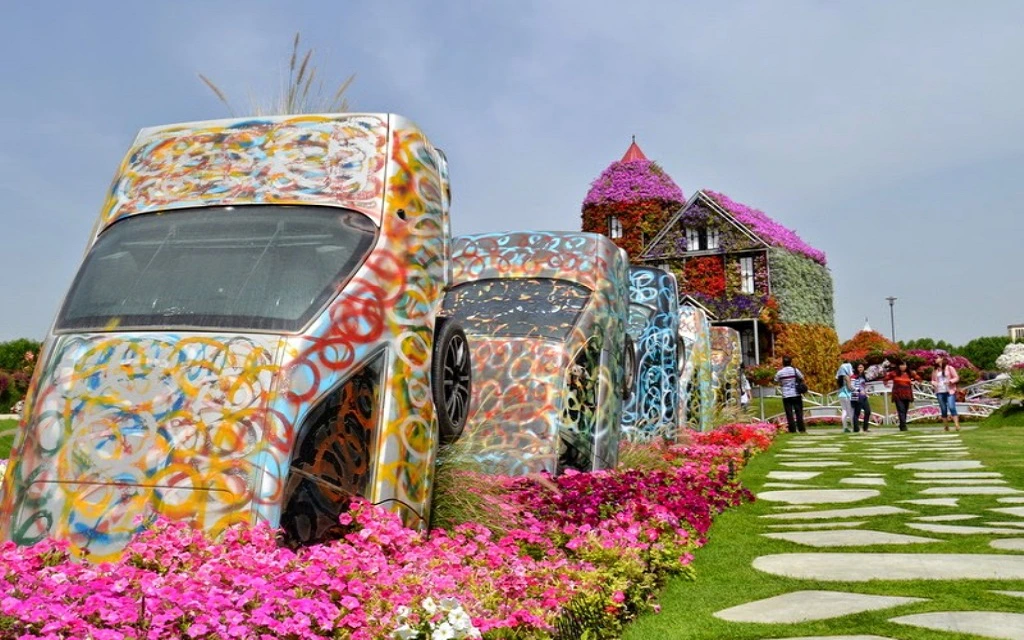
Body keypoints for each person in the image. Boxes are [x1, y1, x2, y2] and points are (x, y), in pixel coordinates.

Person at [774, 356, 806, 434]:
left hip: (786, 394)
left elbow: (775, 380)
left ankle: (792, 429)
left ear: (783, 363)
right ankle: (801, 429)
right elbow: (802, 377)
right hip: (796, 393)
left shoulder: (780, 372)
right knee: (799, 412)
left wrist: (782, 383)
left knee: (789, 413)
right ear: (791, 362)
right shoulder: (795, 370)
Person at [885, 360, 918, 431]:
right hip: (898, 394)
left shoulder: (910, 373)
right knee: (901, 410)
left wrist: (915, 382)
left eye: (904, 365)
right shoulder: (894, 373)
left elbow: (918, 378)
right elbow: (885, 379)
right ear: (898, 366)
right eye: (901, 365)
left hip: (907, 394)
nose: (903, 367)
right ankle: (904, 426)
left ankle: (902, 424)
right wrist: (886, 384)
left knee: (905, 410)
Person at [931, 354, 960, 432]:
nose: (935, 359)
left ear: (942, 358)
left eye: (937, 358)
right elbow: (933, 380)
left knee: (951, 407)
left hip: (949, 391)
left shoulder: (950, 368)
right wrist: (934, 383)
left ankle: (957, 425)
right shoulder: (935, 370)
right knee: (943, 409)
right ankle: (946, 426)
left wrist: (950, 381)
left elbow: (956, 377)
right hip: (939, 391)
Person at [849, 363, 871, 433]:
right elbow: (852, 386)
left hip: (864, 396)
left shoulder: (864, 376)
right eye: (859, 367)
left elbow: (865, 385)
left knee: (868, 411)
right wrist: (859, 390)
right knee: (857, 412)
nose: (860, 368)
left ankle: (865, 428)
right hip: (857, 396)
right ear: (856, 368)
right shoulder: (853, 376)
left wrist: (866, 391)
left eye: (861, 367)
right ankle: (856, 428)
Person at [836, 362, 855, 433]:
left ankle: (845, 427)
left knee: (844, 411)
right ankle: (854, 426)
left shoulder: (839, 377)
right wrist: (855, 389)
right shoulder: (846, 377)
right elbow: (849, 387)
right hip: (847, 395)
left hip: (841, 395)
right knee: (850, 411)